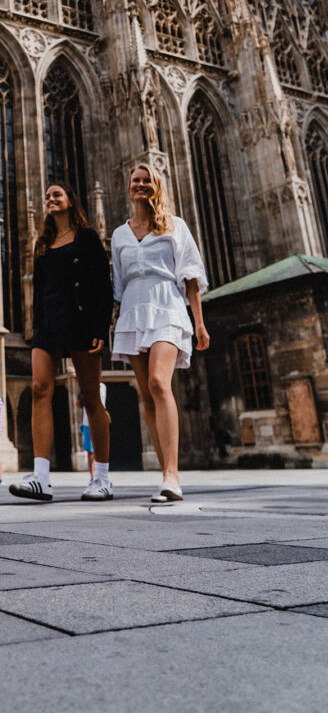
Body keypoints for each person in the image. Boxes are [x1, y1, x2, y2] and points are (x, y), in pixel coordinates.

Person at [111, 164, 210, 503]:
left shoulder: (174, 226)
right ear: (129, 188)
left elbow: (191, 275)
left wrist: (198, 322)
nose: (141, 185)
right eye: (136, 180)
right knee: (146, 395)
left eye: (147, 180)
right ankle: (165, 472)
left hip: (167, 304)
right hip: (134, 309)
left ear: (156, 187)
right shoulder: (119, 234)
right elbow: (118, 285)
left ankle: (172, 474)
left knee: (158, 382)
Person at [10, 183, 113, 504]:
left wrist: (100, 326)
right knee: (41, 388)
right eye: (48, 196)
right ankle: (41, 477)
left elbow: (103, 284)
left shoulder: (87, 238)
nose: (50, 199)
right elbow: (39, 292)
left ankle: (102, 478)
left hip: (81, 321)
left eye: (57, 195)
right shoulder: (43, 244)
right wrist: (35, 326)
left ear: (70, 201)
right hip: (49, 325)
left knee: (92, 399)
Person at [78, 384, 108, 477]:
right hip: (88, 423)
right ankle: (92, 475)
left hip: (100, 420)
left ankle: (100, 473)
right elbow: (77, 402)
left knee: (99, 448)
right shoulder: (85, 385)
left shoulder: (103, 386)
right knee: (90, 451)